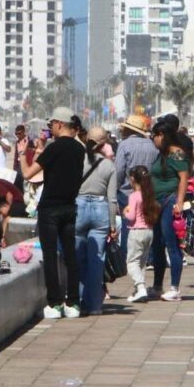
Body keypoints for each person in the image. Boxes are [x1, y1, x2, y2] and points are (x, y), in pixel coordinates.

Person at [17, 107, 85, 319]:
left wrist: (22, 153)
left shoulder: (54, 149)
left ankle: (55, 304)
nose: (49, 129)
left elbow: (28, 174)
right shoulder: (79, 149)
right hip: (69, 206)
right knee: (70, 255)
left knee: (50, 256)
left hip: (50, 208)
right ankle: (73, 303)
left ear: (58, 124)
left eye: (50, 125)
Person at [75, 127, 118, 316]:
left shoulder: (77, 161)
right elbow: (112, 199)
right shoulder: (109, 165)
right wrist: (113, 225)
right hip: (101, 209)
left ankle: (78, 301)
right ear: (103, 144)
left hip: (79, 208)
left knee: (77, 257)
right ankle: (94, 306)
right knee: (96, 260)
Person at [149, 120, 190, 301]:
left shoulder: (177, 154)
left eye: (155, 136)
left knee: (171, 245)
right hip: (156, 204)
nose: (153, 139)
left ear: (162, 135)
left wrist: (179, 202)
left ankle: (174, 287)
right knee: (157, 245)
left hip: (169, 202)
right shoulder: (161, 155)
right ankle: (157, 285)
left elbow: (183, 178)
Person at [115, 114, 159, 259]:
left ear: (128, 130)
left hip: (127, 191)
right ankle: (150, 256)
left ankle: (128, 255)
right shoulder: (152, 146)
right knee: (146, 221)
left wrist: (115, 188)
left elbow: (120, 170)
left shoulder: (124, 145)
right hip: (148, 191)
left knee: (129, 223)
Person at [124, 165, 159, 303]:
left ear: (133, 179)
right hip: (149, 231)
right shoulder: (149, 194)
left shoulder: (133, 196)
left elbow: (131, 216)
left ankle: (140, 287)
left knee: (132, 262)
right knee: (142, 262)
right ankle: (139, 290)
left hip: (136, 232)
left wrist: (125, 211)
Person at [13, 124, 34, 191]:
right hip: (19, 166)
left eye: (19, 133)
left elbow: (31, 154)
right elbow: (16, 155)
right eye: (16, 133)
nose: (17, 135)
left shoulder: (30, 141)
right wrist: (15, 167)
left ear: (23, 132)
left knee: (26, 184)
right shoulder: (17, 142)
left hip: (26, 164)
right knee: (18, 184)